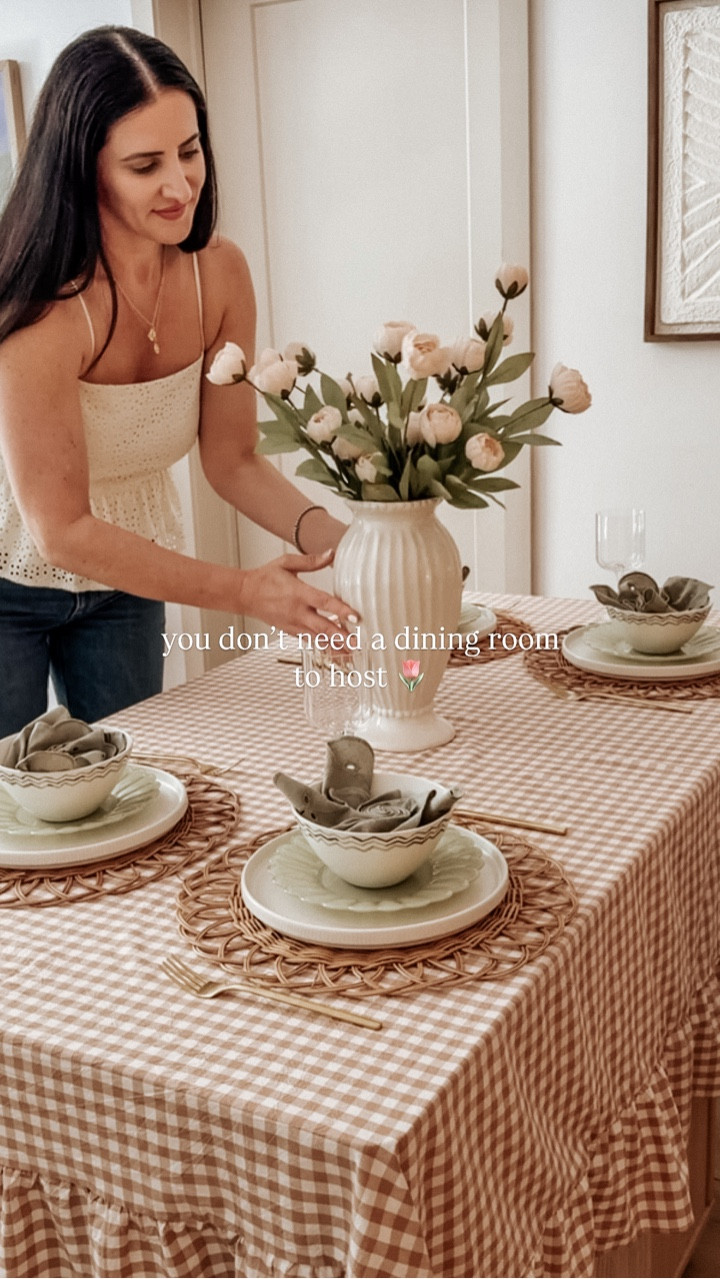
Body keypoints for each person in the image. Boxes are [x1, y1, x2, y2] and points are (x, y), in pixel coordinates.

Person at [0, 25, 354, 737]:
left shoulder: (218, 273)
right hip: (9, 578)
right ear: (84, 169)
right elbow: (61, 530)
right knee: (13, 795)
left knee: (132, 775)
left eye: (189, 152)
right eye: (144, 165)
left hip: (128, 573)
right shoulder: (42, 307)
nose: (180, 184)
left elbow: (232, 458)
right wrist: (247, 592)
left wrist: (350, 542)